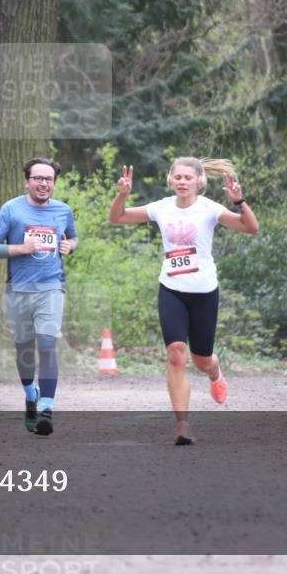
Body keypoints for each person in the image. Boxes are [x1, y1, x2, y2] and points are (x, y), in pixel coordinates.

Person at [109, 157, 258, 445]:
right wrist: (122, 195)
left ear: (200, 181)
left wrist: (240, 202)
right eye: (177, 177)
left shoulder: (210, 209)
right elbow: (118, 217)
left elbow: (250, 227)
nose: (182, 181)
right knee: (176, 353)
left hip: (204, 291)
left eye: (188, 177)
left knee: (201, 360)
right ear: (170, 179)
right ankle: (182, 425)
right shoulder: (161, 207)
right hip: (172, 288)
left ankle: (214, 372)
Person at [0, 158, 78, 436]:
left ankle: (47, 410)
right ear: (27, 181)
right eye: (37, 178)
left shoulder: (63, 211)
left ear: (54, 183)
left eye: (48, 179)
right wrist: (22, 248)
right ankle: (30, 395)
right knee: (24, 350)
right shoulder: (11, 209)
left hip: (51, 288)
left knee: (47, 345)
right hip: (19, 290)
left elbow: (73, 238)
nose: (43, 183)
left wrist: (69, 245)